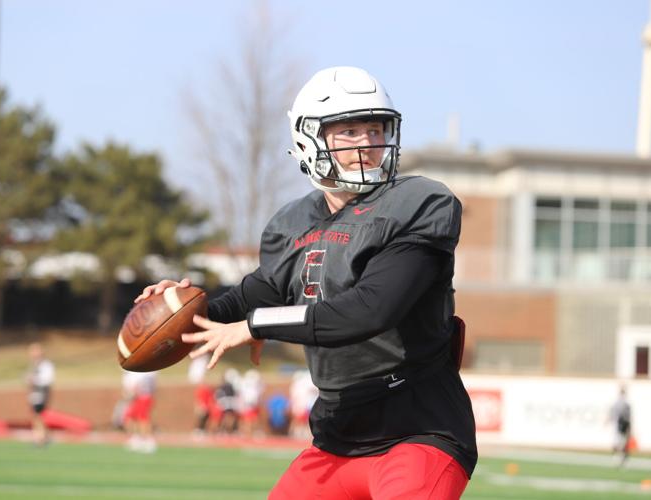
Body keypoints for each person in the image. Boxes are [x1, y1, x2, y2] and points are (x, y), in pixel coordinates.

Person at [136, 66, 477, 499]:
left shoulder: (419, 204)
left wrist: (257, 326)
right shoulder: (292, 223)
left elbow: (370, 309)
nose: (367, 145)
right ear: (308, 139)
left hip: (418, 431)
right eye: (349, 132)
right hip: (337, 437)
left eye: (376, 129)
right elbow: (246, 298)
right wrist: (178, 308)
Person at [122, 369, 158, 453]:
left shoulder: (145, 371)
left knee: (143, 418)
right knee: (131, 417)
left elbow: (141, 384)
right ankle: (136, 438)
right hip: (139, 397)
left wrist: (133, 393)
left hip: (143, 396)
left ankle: (148, 440)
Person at [26, 342, 54, 447]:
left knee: (39, 415)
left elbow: (47, 379)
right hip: (35, 392)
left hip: (41, 392)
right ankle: (41, 436)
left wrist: (34, 379)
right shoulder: (34, 364)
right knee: (35, 415)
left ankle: (42, 437)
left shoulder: (46, 365)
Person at [608, 385, 632, 466]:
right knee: (620, 442)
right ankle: (619, 457)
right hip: (620, 425)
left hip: (622, 425)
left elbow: (627, 416)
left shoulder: (624, 404)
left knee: (621, 443)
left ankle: (620, 458)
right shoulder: (622, 403)